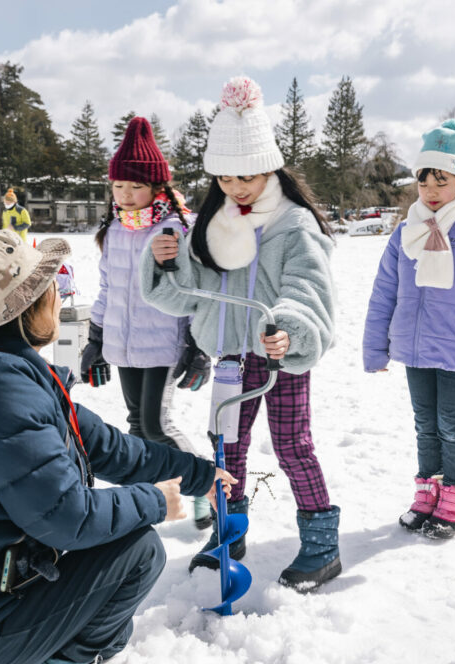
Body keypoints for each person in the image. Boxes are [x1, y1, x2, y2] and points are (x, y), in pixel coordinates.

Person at [0, 230, 235, 664]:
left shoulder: (14, 373)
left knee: (117, 599)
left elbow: (112, 449)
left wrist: (197, 475)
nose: (59, 293)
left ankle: (50, 657)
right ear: (27, 305)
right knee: (138, 552)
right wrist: (158, 501)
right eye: (50, 285)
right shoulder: (0, 390)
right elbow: (66, 517)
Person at [141, 76, 341, 592]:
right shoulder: (215, 224)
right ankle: (229, 533)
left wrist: (290, 331)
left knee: (293, 444)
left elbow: (309, 285)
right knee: (227, 447)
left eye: (247, 175)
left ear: (270, 166)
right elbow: (189, 295)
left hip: (277, 355)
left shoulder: (293, 224)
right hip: (231, 357)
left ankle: (321, 546)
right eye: (226, 178)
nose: (237, 187)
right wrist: (167, 263)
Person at [362, 119, 455, 540]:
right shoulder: (405, 234)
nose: (429, 191)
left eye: (440, 182)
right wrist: (376, 348)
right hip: (414, 349)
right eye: (424, 181)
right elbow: (383, 293)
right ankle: (428, 490)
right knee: (424, 423)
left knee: (451, 423)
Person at [81, 116, 213, 530]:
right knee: (137, 424)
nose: (125, 194)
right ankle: (149, 500)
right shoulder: (115, 228)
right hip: (122, 343)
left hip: (163, 344)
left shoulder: (176, 228)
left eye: (135, 186)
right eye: (118, 186)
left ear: (157, 188)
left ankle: (208, 489)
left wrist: (197, 346)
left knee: (157, 423)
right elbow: (106, 289)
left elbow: (194, 290)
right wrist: (95, 338)